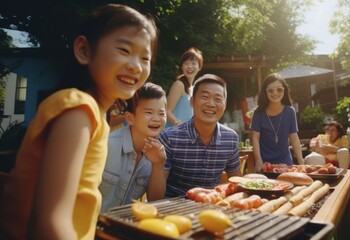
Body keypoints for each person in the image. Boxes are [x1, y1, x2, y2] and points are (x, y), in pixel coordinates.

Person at [0, 4, 158, 239]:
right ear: (84, 50)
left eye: (145, 57)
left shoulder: (95, 116)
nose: (136, 64)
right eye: (124, 50)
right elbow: (50, 222)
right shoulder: (78, 110)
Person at [159, 74, 241, 197]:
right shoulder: (169, 138)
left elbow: (236, 182)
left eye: (218, 99)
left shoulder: (231, 138)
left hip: (210, 206)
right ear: (192, 101)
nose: (211, 104)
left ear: (224, 105)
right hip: (172, 210)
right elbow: (155, 194)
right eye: (205, 97)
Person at [99, 83, 167, 213]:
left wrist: (158, 165)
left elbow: (156, 200)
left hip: (124, 226)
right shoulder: (108, 145)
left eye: (161, 113)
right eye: (149, 112)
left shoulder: (159, 151)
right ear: (130, 118)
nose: (156, 119)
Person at [250, 73, 304, 172]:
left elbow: (294, 137)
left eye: (279, 89)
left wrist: (301, 162)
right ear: (265, 92)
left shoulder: (290, 111)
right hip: (264, 164)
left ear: (284, 90)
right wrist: (258, 161)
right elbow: (255, 137)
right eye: (270, 90)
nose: (275, 93)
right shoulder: (258, 113)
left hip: (286, 162)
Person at [165, 47, 203, 127]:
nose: (190, 67)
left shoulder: (193, 89)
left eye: (193, 63)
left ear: (199, 67)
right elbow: (167, 111)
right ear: (182, 67)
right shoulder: (179, 85)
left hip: (185, 135)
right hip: (173, 133)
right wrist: (179, 125)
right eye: (186, 63)